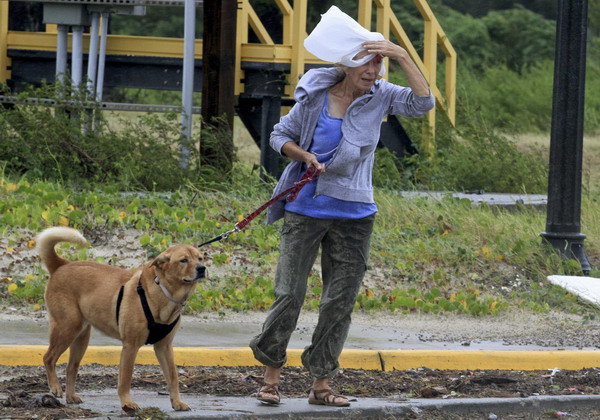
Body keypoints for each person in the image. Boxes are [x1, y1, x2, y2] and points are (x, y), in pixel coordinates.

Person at [249, 6, 435, 407]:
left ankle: (321, 385)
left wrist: (403, 55)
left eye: (380, 62)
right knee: (289, 294)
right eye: (367, 61)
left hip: (355, 215)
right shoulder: (315, 95)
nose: (374, 69)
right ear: (348, 63)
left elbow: (424, 104)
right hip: (305, 209)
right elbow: (278, 136)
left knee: (339, 302)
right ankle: (270, 377)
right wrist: (303, 155)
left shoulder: (382, 96)